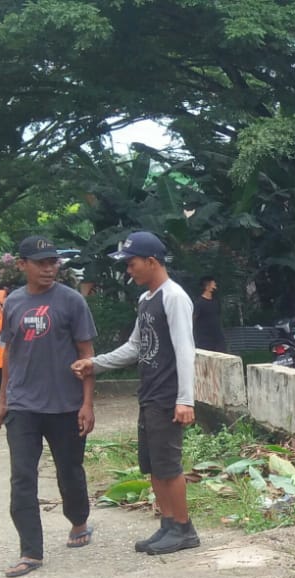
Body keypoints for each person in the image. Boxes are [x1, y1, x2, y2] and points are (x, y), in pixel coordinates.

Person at [71, 231, 201, 555]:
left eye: (132, 264)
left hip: (168, 395)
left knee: (169, 465)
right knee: (154, 465)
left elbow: (186, 350)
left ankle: (184, 528)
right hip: (149, 393)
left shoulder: (174, 297)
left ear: (151, 261)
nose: (129, 271)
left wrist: (185, 400)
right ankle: (168, 524)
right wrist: (95, 364)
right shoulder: (146, 300)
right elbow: (135, 346)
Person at [0, 236, 98, 578]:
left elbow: (87, 355)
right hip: (23, 406)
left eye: (53, 262)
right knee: (22, 476)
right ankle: (30, 551)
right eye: (41, 262)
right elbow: (9, 352)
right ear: (22, 265)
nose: (49, 268)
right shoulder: (13, 303)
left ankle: (78, 521)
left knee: (70, 470)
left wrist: (87, 403)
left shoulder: (72, 302)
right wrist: (2, 398)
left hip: (65, 404)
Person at [192, 275, 228, 353]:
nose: (215, 285)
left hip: (218, 339)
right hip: (205, 341)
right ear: (207, 286)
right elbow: (193, 319)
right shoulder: (199, 303)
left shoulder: (216, 301)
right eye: (213, 284)